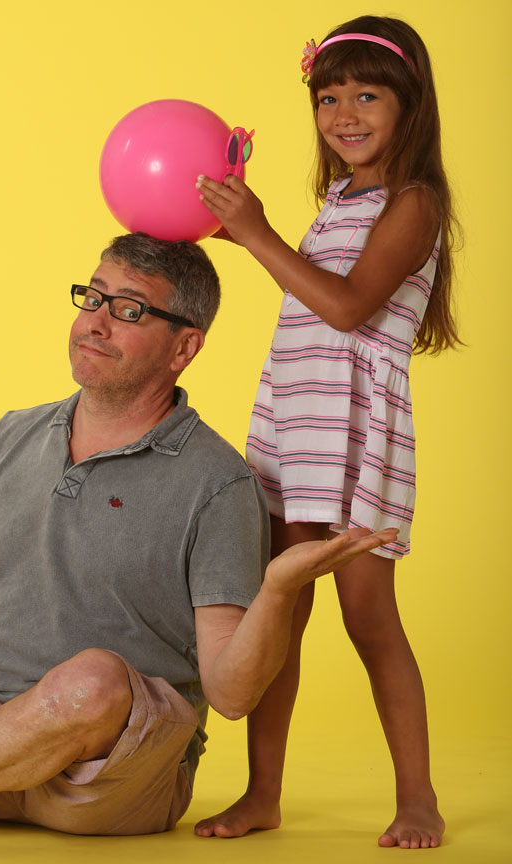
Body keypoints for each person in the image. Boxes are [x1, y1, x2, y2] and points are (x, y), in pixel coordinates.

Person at [0, 232, 395, 862]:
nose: (95, 323)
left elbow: (230, 695)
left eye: (129, 310)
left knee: (94, 679)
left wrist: (277, 589)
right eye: (93, 298)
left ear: (184, 347)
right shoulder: (9, 438)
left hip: (111, 775)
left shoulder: (218, 484)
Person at [195, 15, 458, 851]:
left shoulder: (414, 203)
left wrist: (257, 232)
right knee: (277, 612)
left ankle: (417, 797)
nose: (343, 115)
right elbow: (309, 288)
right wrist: (230, 221)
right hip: (296, 422)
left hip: (354, 432)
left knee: (368, 618)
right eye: (326, 98)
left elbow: (346, 308)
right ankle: (262, 792)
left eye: (366, 96)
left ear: (408, 105)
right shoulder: (339, 200)